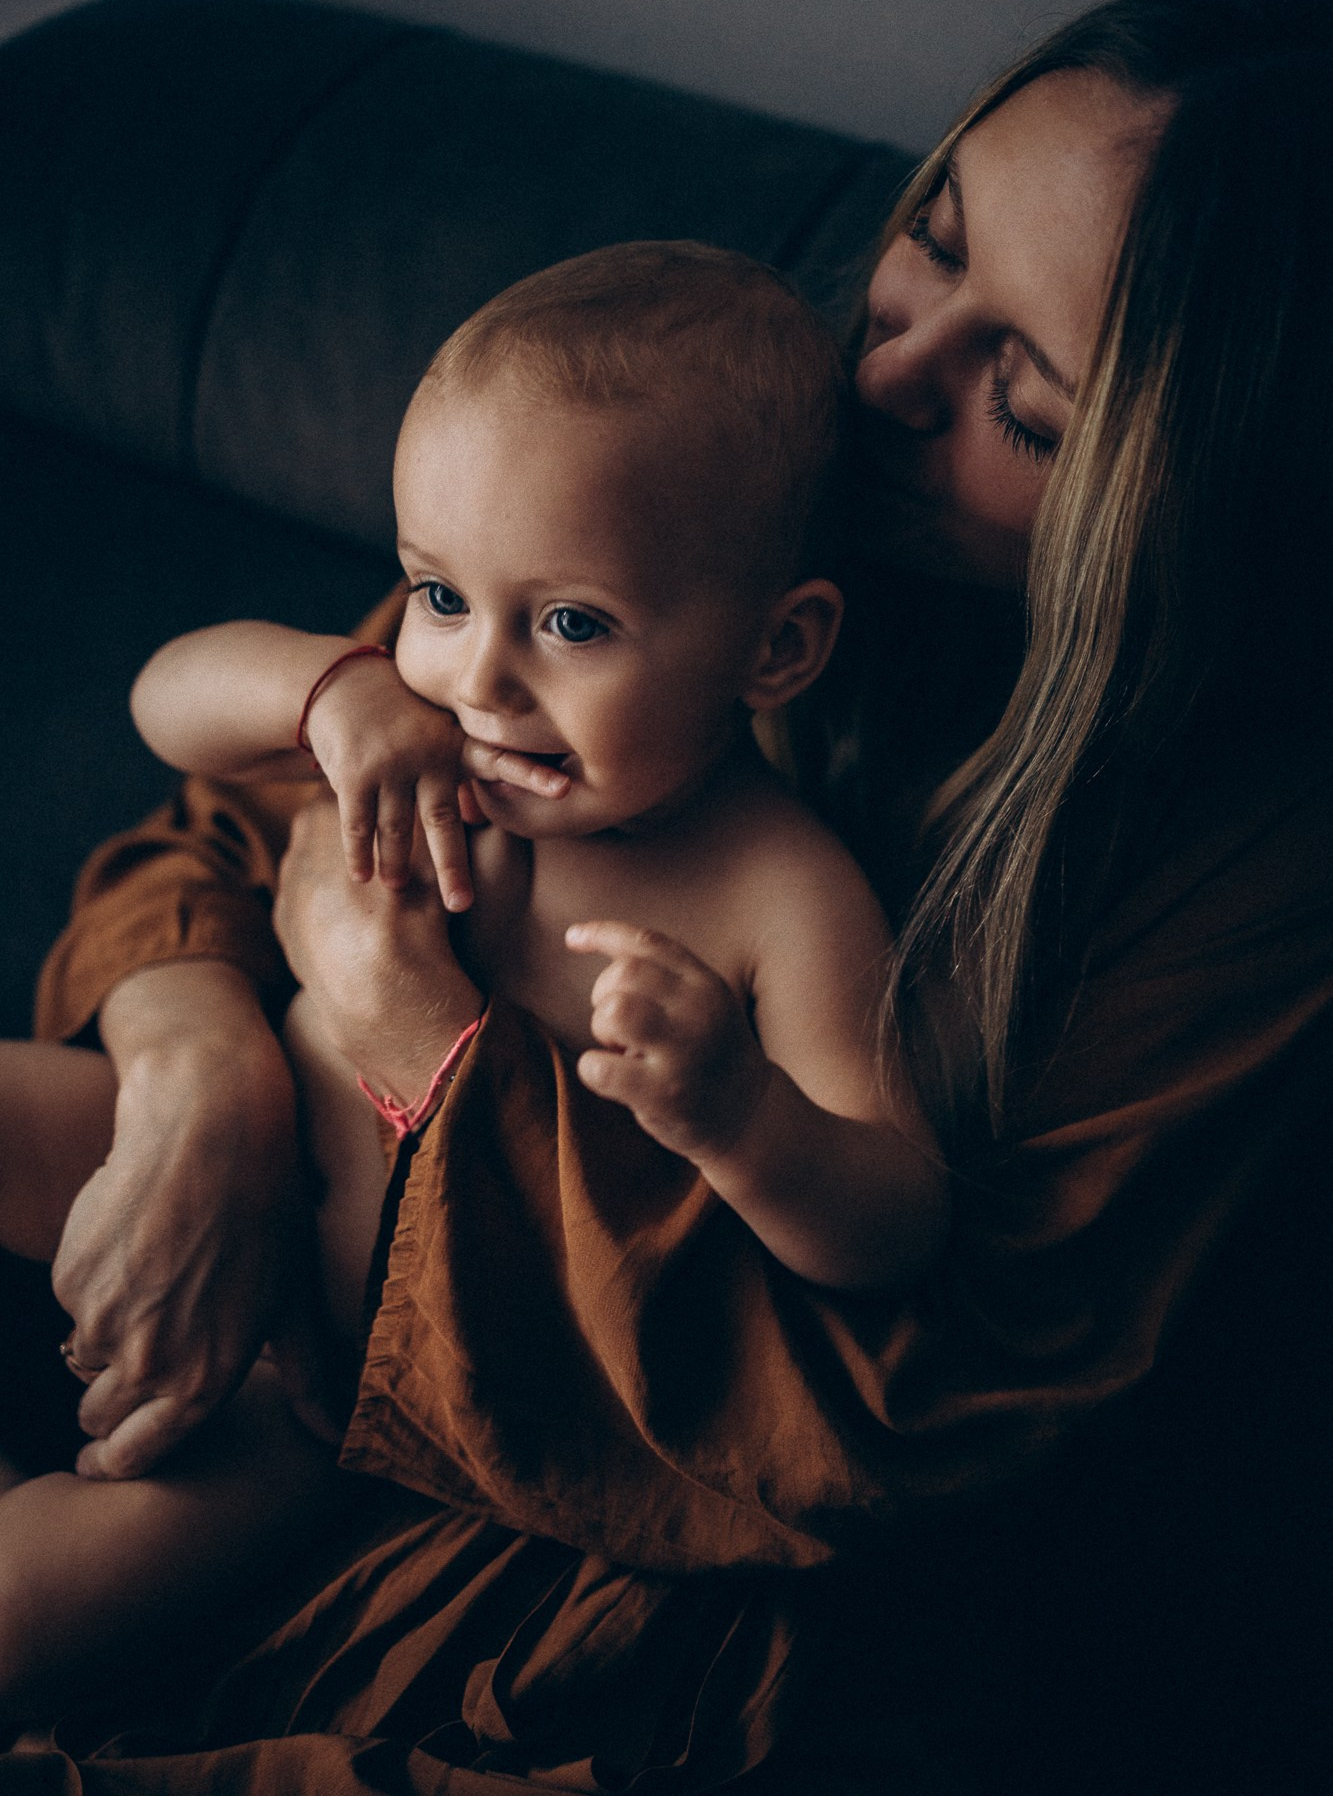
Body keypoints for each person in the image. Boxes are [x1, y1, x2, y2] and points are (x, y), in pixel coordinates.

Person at [9, 0, 1333, 1791]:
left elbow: (901, 1400)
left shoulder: (1196, 876)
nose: (879, 376)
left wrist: (420, 1046)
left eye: (1020, 403)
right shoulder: (692, 457)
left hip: (579, 1526)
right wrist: (197, 1082)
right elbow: (223, 813)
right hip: (274, 1179)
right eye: (927, 239)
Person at [0, 243, 947, 1717]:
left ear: (777, 645)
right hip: (185, 1155)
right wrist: (334, 689)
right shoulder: (419, 709)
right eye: (437, 590)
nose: (482, 675)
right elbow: (168, 703)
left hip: (339, 1390)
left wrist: (738, 1113)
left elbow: (891, 1215)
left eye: (571, 624)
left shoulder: (778, 891)